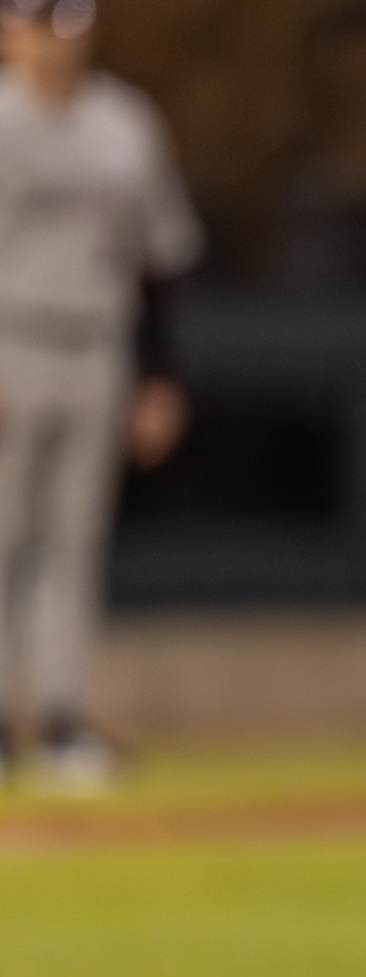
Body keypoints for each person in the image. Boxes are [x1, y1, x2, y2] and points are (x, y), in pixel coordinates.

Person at [0, 0, 202, 785]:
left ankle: (59, 722)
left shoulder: (125, 121)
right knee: (4, 537)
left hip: (97, 342)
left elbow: (160, 262)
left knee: (71, 543)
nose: (56, 34)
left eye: (70, 16)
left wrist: (160, 374)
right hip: (11, 336)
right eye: (39, 17)